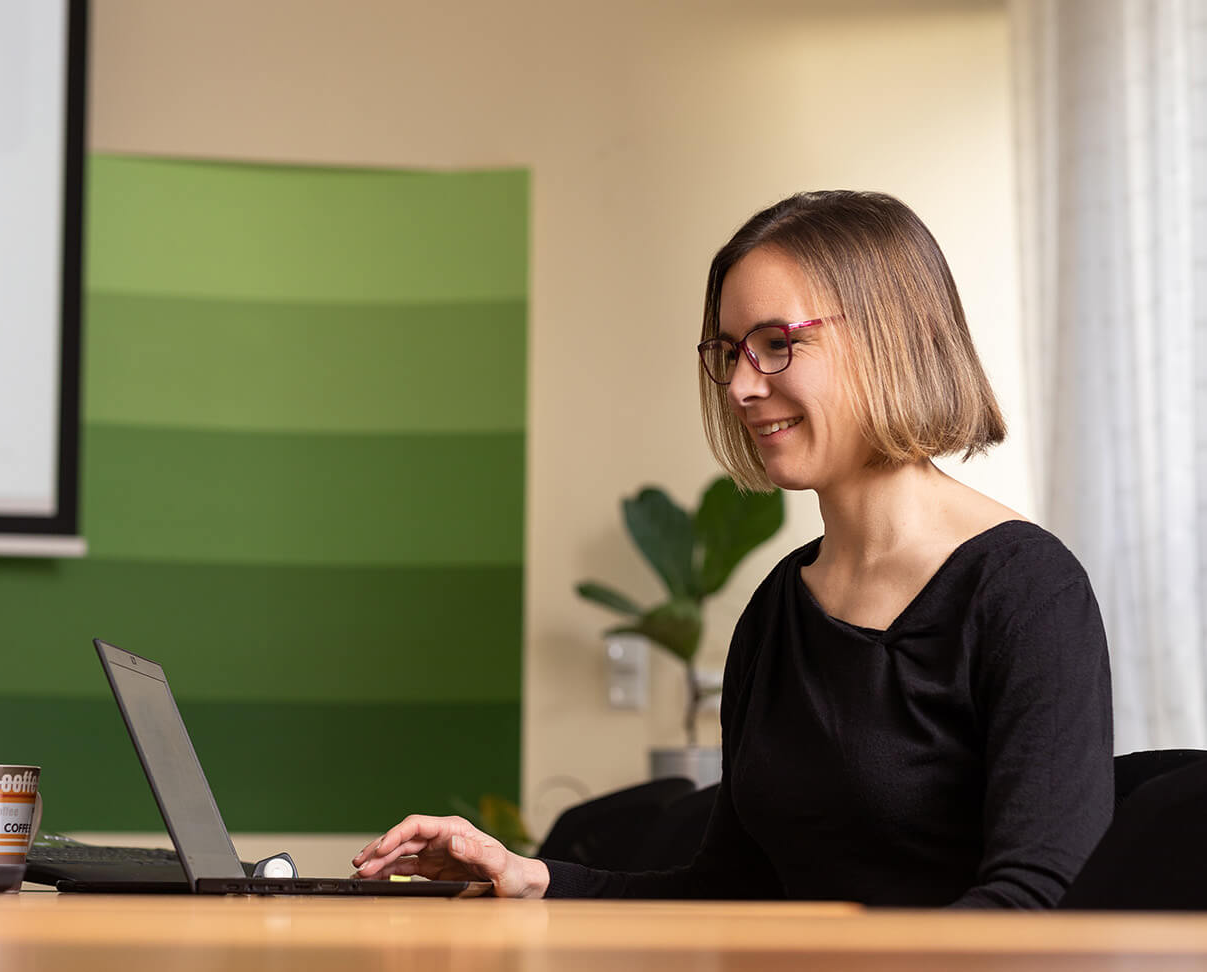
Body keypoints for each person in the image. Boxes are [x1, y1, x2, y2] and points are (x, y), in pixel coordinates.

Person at [351, 190, 1114, 907]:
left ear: (894, 338)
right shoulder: (781, 608)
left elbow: (1036, 904)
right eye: (729, 352)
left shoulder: (1026, 589)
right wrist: (530, 876)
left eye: (777, 343)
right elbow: (729, 891)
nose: (741, 387)